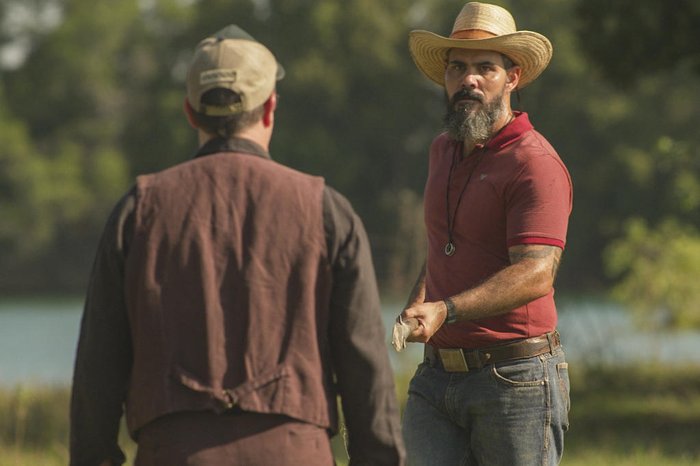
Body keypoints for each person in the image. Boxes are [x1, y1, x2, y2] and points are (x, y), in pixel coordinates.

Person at [70, 24, 405, 466]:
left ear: (190, 112)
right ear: (270, 107)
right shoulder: (326, 210)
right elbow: (366, 371)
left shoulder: (138, 211)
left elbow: (98, 373)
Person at [396, 3, 572, 465]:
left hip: (516, 379)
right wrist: (420, 302)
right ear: (445, 77)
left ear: (512, 77)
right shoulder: (441, 150)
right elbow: (442, 245)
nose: (468, 79)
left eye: (484, 68)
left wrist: (446, 309)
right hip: (436, 379)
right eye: (458, 67)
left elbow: (536, 273)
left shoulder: (534, 164)